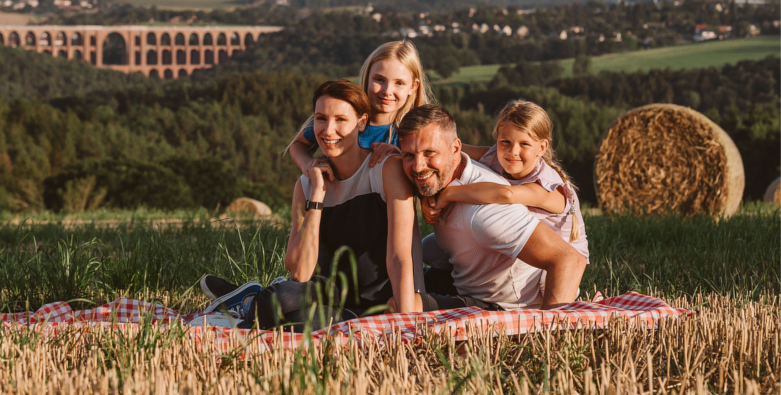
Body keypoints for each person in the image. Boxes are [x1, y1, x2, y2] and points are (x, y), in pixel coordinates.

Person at [201, 80, 424, 331]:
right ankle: (254, 300)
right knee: (275, 301)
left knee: (302, 324)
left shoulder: (385, 171)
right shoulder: (306, 186)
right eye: (321, 118)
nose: (328, 130)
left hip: (375, 303)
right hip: (324, 293)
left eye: (341, 119)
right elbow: (300, 272)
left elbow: (399, 257)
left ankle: (249, 302)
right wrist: (317, 194)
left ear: (362, 122)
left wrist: (406, 324)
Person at [398, 105, 586, 311]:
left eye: (429, 153)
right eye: (409, 155)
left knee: (403, 304)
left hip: (507, 303)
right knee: (393, 285)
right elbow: (453, 147)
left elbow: (568, 259)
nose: (417, 166)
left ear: (542, 147)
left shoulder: (511, 202)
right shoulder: (491, 158)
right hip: (471, 275)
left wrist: (550, 331)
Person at [424, 99, 589, 263]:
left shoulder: (548, 188)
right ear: (497, 138)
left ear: (542, 147)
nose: (513, 151)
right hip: (520, 246)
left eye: (524, 144)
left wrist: (446, 195)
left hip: (555, 263)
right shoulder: (494, 156)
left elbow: (507, 194)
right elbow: (451, 149)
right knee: (428, 248)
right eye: (506, 142)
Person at [286, 41, 433, 180]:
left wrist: (400, 157)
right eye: (379, 80)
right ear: (367, 77)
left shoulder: (411, 134)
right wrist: (307, 164)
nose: (387, 91)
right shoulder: (341, 114)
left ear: (413, 87)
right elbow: (298, 144)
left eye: (399, 83)